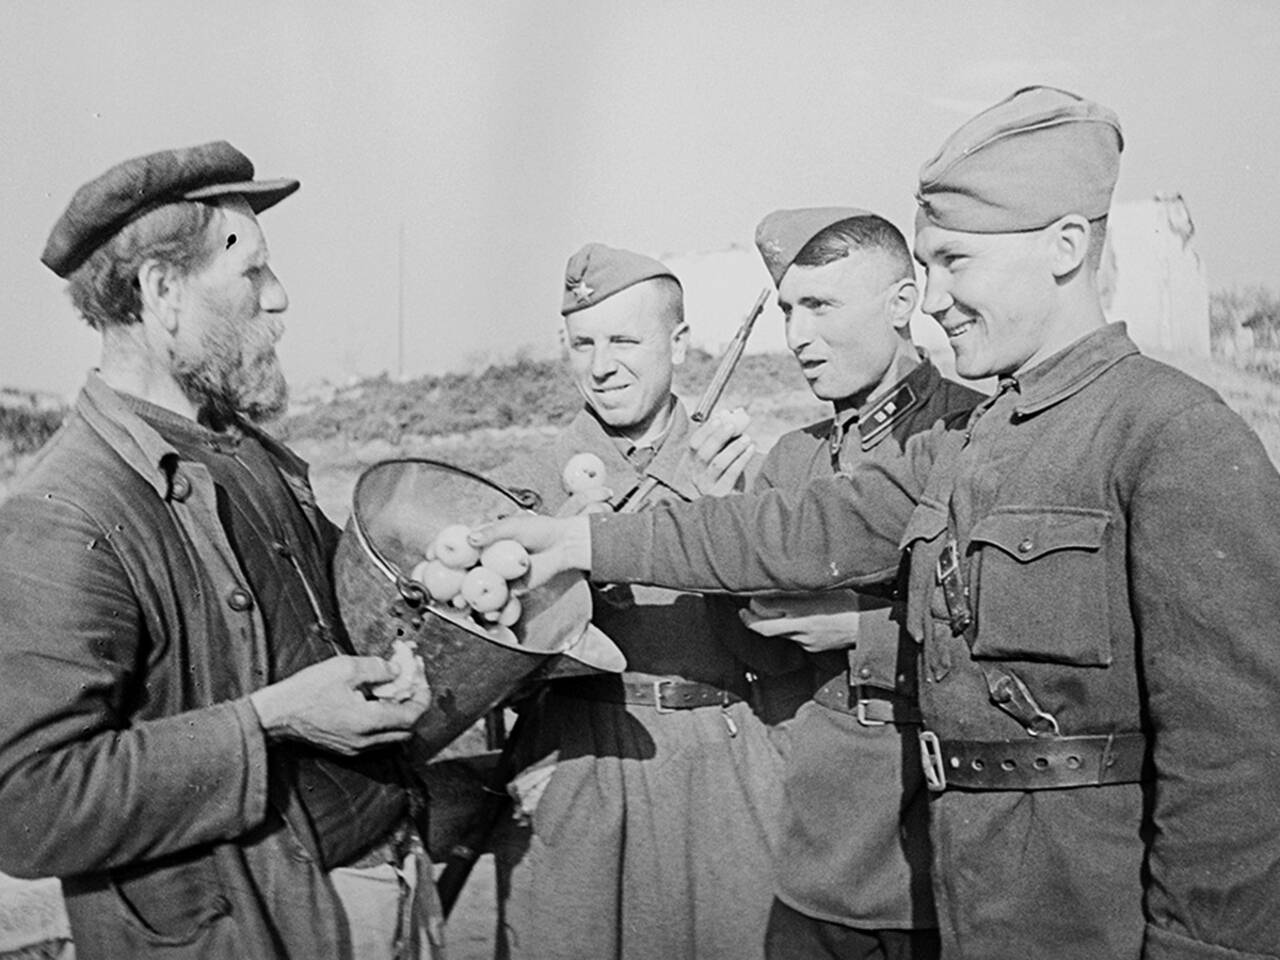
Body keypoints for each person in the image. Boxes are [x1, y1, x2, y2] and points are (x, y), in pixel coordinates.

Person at [472, 87, 1280, 959]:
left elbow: (1236, 766)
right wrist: (581, 541)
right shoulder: (977, 439)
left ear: (1066, 247)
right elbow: (787, 528)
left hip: (1083, 914)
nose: (934, 300)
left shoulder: (1172, 433)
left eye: (957, 263)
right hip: (966, 897)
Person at [0, 142, 442, 960]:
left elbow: (336, 618)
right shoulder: (63, 510)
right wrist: (270, 721)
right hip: (263, 931)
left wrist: (434, 596)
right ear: (162, 293)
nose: (278, 299)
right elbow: (29, 805)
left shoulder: (241, 448)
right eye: (251, 274)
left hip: (393, 883)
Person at [490, 243, 784, 960]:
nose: (601, 365)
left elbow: (781, 641)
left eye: (625, 339)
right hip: (577, 758)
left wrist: (728, 525)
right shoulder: (523, 487)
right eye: (582, 343)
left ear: (679, 343)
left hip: (722, 756)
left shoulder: (741, 464)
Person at [744, 208, 982, 960]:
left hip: (936, 858)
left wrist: (861, 630)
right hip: (815, 860)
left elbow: (1015, 639)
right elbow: (765, 659)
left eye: (821, 306)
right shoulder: (792, 461)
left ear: (903, 302)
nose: (797, 338)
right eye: (788, 310)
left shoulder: (975, 436)